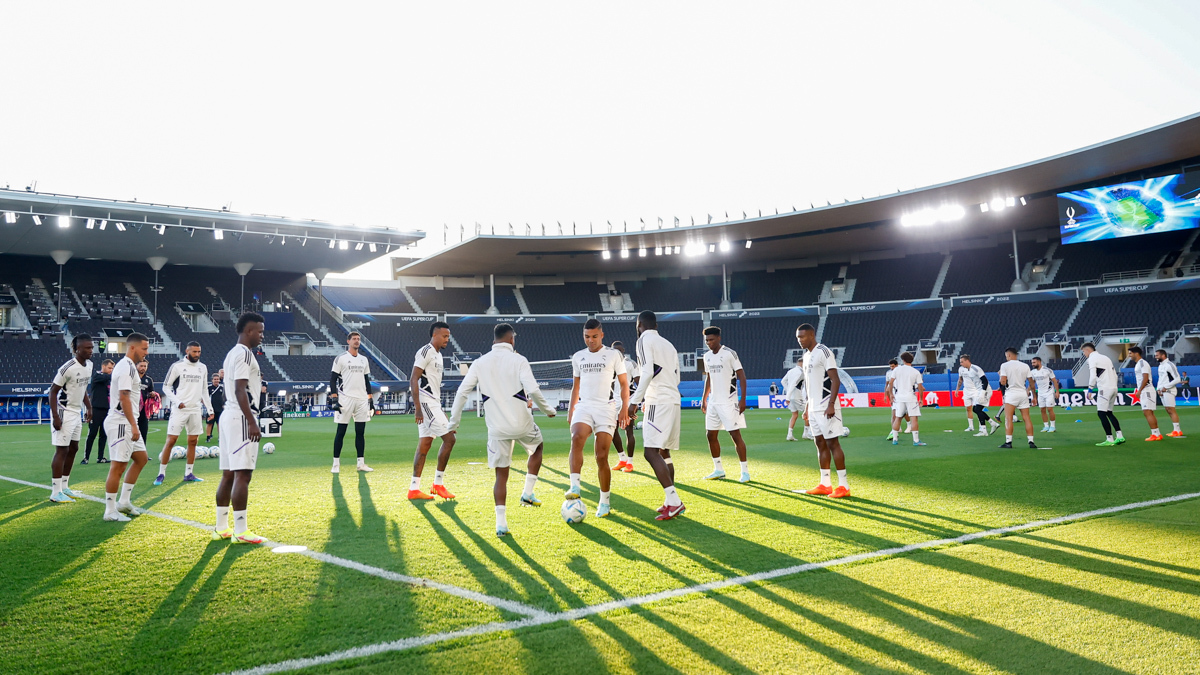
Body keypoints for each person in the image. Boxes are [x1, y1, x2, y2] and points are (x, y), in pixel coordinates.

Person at [448, 323, 557, 537]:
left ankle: (501, 525)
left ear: (494, 340)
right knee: (538, 447)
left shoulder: (479, 363)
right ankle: (527, 493)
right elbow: (533, 389)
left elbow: (461, 393)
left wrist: (453, 423)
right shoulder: (519, 360)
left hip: (497, 428)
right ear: (512, 339)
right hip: (522, 424)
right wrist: (548, 410)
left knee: (501, 475)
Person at [565, 319, 630, 517]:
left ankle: (604, 501)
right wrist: (571, 409)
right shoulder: (578, 357)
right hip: (584, 406)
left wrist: (624, 408)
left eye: (594, 336)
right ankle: (575, 486)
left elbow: (624, 384)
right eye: (587, 336)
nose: (590, 340)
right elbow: (576, 386)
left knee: (601, 456)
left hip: (606, 408)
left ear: (602, 335)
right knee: (577, 438)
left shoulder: (614, 355)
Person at [627, 310, 687, 520]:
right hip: (673, 399)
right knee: (663, 451)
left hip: (658, 400)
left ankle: (675, 501)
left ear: (639, 325)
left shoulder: (643, 340)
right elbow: (677, 377)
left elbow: (646, 372)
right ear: (656, 325)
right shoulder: (668, 344)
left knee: (650, 452)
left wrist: (635, 401)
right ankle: (669, 500)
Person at [212, 312, 266, 544]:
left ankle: (221, 528)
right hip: (241, 418)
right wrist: (252, 421)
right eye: (260, 331)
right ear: (248, 331)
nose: (262, 335)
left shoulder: (232, 353)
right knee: (243, 474)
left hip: (228, 416)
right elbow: (240, 389)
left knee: (228, 474)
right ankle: (241, 531)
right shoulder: (244, 354)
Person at [794, 324, 850, 498]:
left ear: (811, 335)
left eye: (802, 337)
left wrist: (831, 404)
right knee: (819, 443)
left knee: (833, 443)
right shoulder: (806, 356)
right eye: (798, 337)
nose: (799, 340)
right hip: (813, 408)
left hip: (826, 406)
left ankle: (844, 486)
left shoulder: (824, 352)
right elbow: (810, 385)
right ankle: (825, 484)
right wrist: (807, 408)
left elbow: (835, 380)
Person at [102, 333, 150, 522]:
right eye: (144, 349)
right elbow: (124, 397)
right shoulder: (126, 367)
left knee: (141, 459)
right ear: (132, 348)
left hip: (128, 422)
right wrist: (133, 425)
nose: (146, 353)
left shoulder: (130, 366)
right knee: (118, 466)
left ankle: (124, 502)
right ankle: (110, 511)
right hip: (121, 422)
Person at [409, 321, 457, 500]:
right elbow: (413, 379)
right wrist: (418, 408)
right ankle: (438, 484)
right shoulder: (425, 351)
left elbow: (434, 386)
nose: (447, 340)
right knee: (450, 438)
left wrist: (440, 409)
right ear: (434, 335)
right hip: (425, 403)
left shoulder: (439, 356)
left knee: (425, 445)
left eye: (448, 337)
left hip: (433, 403)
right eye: (444, 336)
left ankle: (414, 489)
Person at [154, 342, 213, 485]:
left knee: (193, 442)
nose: (197, 354)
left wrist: (210, 410)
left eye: (199, 352)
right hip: (179, 409)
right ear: (187, 351)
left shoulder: (202, 367)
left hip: (195, 410)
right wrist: (177, 401)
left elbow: (205, 390)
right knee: (171, 440)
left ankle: (189, 473)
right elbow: (166, 387)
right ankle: (161, 473)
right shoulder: (177, 366)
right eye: (194, 351)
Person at [700, 326, 750, 481]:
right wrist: (704, 399)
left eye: (712, 339)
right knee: (710, 435)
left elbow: (742, 376)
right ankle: (718, 469)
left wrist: (742, 399)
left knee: (735, 435)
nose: (709, 343)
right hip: (713, 402)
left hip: (729, 401)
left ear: (719, 338)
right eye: (707, 340)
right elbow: (708, 378)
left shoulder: (730, 353)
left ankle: (745, 472)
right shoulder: (706, 356)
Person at [49, 335, 94, 502]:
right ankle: (55, 492)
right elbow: (52, 392)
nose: (90, 351)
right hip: (64, 411)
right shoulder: (67, 368)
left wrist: (89, 407)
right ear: (76, 349)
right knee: (62, 450)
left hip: (76, 412)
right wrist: (55, 416)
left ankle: (65, 487)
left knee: (73, 448)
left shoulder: (89, 365)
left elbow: (83, 390)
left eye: (91, 347)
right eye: (87, 348)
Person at [329, 332, 375, 474]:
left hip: (361, 399)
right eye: (354, 339)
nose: (356, 341)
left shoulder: (364, 360)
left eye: (358, 339)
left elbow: (366, 380)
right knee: (341, 432)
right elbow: (333, 379)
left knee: (360, 432)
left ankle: (361, 464)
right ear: (348, 341)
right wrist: (335, 399)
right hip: (345, 398)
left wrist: (370, 399)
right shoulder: (341, 359)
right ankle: (335, 464)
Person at [1082, 342, 1124, 446]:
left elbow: (1093, 376)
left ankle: (1109, 439)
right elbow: (1114, 374)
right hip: (1113, 387)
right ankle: (1120, 436)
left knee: (1101, 413)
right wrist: (1114, 386)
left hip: (1104, 389)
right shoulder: (1106, 358)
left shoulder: (1091, 359)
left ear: (1087, 350)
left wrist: (1090, 389)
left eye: (1083, 351)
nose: (1084, 354)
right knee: (1109, 413)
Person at [609, 341, 639, 472]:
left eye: (619, 350)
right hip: (612, 402)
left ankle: (630, 463)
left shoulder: (630, 363)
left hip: (627, 400)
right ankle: (622, 458)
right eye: (614, 351)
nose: (617, 353)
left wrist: (636, 402)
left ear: (623, 350)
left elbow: (639, 383)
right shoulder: (609, 364)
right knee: (612, 431)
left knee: (629, 430)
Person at [998, 348, 1036, 449]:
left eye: (1006, 356)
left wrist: (1002, 379)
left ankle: (1008, 442)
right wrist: (1034, 396)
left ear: (1009, 355)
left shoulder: (1004, 365)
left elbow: (1002, 382)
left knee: (1008, 418)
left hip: (1011, 393)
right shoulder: (1025, 366)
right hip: (1023, 393)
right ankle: (1031, 441)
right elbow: (1031, 383)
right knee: (1027, 418)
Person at [886, 352, 926, 446]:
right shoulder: (915, 372)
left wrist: (891, 394)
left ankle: (895, 440)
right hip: (910, 397)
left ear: (903, 360)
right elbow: (920, 387)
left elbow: (890, 383)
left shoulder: (896, 370)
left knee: (898, 418)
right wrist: (921, 398)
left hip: (899, 397)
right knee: (914, 418)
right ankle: (916, 441)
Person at [958, 354, 999, 437]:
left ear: (967, 361)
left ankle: (984, 430)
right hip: (980, 391)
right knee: (975, 409)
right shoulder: (968, 370)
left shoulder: (976, 369)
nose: (961, 364)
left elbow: (985, 381)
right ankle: (992, 423)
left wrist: (983, 392)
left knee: (977, 409)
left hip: (985, 390)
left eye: (962, 362)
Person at [83, 359, 115, 464]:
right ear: (103, 366)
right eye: (110, 368)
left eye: (112, 368)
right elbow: (105, 377)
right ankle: (86, 457)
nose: (111, 370)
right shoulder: (97, 375)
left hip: (107, 410)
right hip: (95, 409)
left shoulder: (108, 378)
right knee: (92, 434)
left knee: (103, 435)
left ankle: (100, 457)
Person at [1129, 347, 1162, 441]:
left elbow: (1145, 378)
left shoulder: (1143, 363)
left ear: (1136, 353)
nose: (1129, 355)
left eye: (1130, 353)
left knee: (1147, 412)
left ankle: (1155, 434)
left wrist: (1140, 390)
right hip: (1145, 390)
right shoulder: (1139, 364)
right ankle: (1157, 433)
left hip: (1146, 390)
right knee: (1149, 412)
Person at [1154, 349, 1184, 437]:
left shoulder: (1169, 365)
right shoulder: (1160, 366)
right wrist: (1158, 389)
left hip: (1169, 390)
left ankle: (1177, 430)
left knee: (1171, 410)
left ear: (1163, 355)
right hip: (1163, 391)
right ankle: (1176, 430)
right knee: (1168, 410)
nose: (1155, 357)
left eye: (1157, 355)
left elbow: (1178, 379)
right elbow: (1161, 379)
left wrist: (1165, 387)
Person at [1029, 356, 1059, 433]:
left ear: (1039, 362)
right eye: (1032, 362)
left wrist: (1057, 391)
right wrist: (1028, 391)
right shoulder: (1032, 372)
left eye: (1034, 362)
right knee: (1042, 410)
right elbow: (1032, 384)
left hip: (1049, 392)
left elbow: (1054, 381)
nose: (1032, 364)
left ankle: (1052, 426)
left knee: (1049, 409)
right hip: (1040, 393)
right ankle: (1046, 426)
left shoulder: (1047, 370)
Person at [781, 357, 807, 441]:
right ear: (802, 363)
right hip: (796, 396)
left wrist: (788, 391)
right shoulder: (800, 372)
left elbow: (783, 381)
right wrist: (787, 397)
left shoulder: (791, 371)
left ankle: (789, 435)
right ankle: (806, 433)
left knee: (794, 415)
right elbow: (793, 384)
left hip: (792, 395)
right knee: (809, 412)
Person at [136, 360, 157, 443]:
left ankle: (143, 454)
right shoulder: (132, 377)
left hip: (144, 410)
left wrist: (152, 394)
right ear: (136, 366)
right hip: (132, 408)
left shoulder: (148, 380)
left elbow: (152, 391)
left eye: (145, 366)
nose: (143, 368)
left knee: (143, 432)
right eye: (141, 366)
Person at [205, 370, 224, 442]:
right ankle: (208, 437)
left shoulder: (222, 387)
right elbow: (204, 398)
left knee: (220, 423)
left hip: (220, 408)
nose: (216, 380)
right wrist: (207, 406)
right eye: (215, 379)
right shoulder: (209, 388)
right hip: (211, 409)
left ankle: (220, 437)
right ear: (212, 380)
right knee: (210, 423)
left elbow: (224, 398)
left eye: (217, 379)